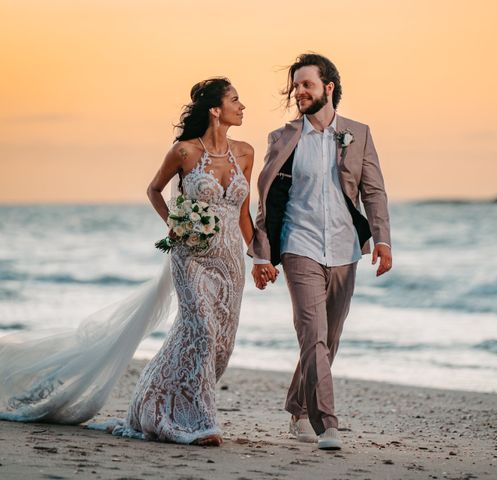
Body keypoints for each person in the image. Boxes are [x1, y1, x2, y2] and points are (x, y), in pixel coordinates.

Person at [0, 77, 255, 447]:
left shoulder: (245, 152)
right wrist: (176, 224)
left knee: (220, 342)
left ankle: (153, 402)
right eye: (235, 99)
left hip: (230, 260)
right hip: (191, 257)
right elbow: (153, 189)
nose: (242, 106)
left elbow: (244, 211)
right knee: (201, 329)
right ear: (216, 109)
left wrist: (259, 255)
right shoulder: (184, 152)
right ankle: (200, 423)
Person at [249, 53, 392, 450]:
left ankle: (297, 407)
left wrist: (382, 239)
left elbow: (373, 190)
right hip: (299, 245)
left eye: (306, 84)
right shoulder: (283, 138)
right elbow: (268, 199)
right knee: (311, 334)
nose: (299, 92)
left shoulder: (357, 133)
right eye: (296, 86)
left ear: (328, 87)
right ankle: (327, 422)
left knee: (328, 339)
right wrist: (262, 254)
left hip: (346, 249)